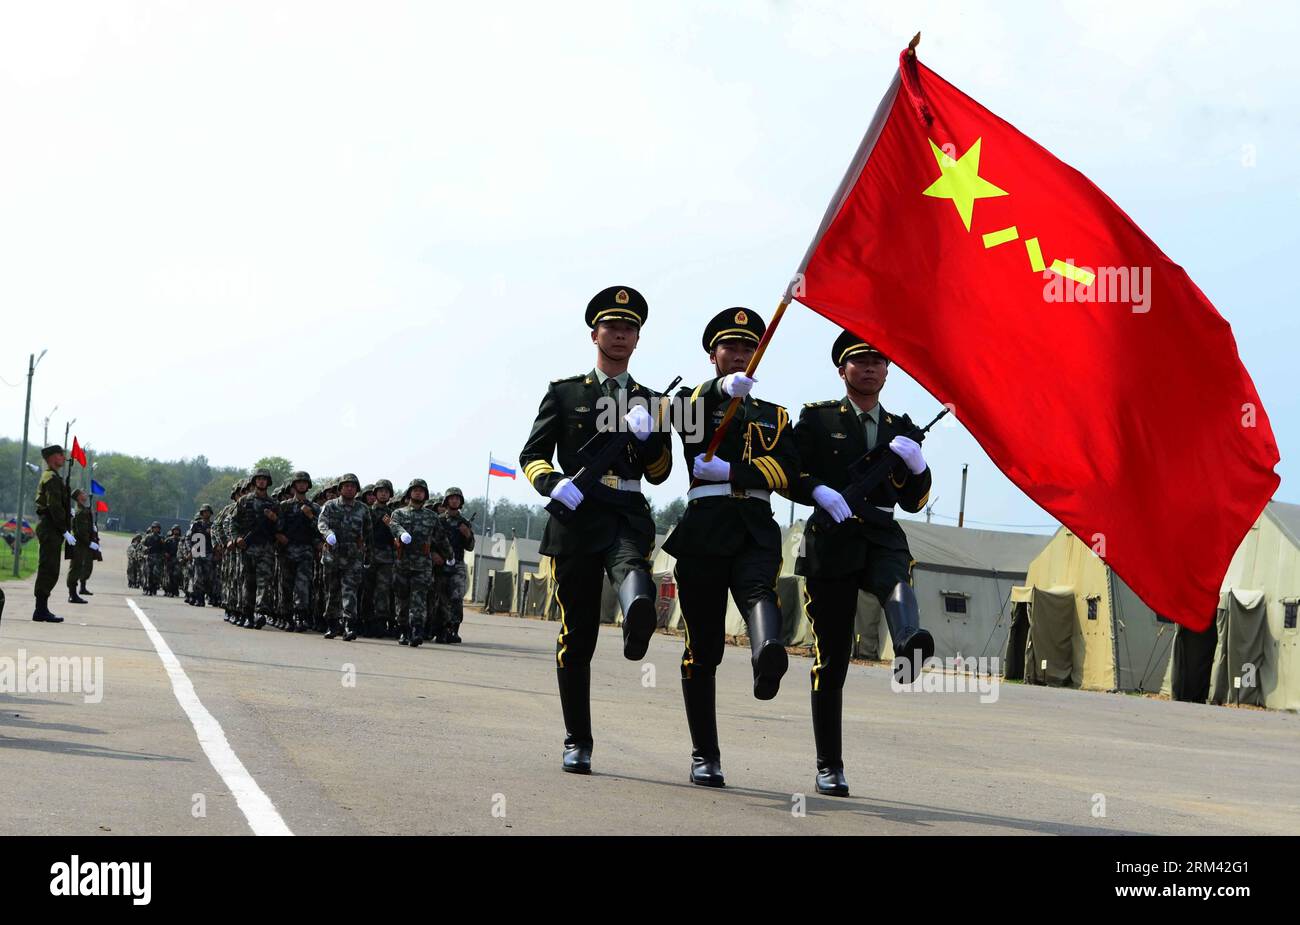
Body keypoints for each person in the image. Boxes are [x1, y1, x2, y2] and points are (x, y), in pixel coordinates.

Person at [519, 285, 673, 774]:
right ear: (595, 334)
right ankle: (577, 740)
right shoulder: (565, 392)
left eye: (630, 329)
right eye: (613, 326)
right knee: (578, 632)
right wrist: (552, 483)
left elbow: (661, 472)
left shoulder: (654, 400)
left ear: (637, 340)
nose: (622, 334)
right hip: (577, 511)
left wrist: (649, 439)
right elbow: (532, 454)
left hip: (626, 506)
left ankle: (637, 616)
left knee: (633, 566)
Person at [792, 330, 934, 797]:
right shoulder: (817, 418)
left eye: (878, 360)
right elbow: (791, 468)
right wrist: (817, 490)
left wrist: (918, 468)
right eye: (860, 360)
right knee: (832, 657)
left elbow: (915, 500)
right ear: (842, 370)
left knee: (895, 578)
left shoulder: (900, 426)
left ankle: (910, 641)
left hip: (880, 531)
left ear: (888, 370)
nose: (870, 367)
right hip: (832, 537)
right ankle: (829, 765)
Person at [662, 307, 799, 788]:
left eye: (748, 348)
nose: (740, 355)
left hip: (755, 522)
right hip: (704, 525)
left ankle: (768, 656)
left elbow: (788, 471)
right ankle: (706, 755)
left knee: (760, 589)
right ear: (712, 355)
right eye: (731, 347)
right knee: (705, 646)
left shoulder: (776, 415)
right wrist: (721, 391)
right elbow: (670, 414)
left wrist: (738, 472)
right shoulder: (694, 401)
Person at [389, 479, 453, 647]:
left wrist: (449, 554)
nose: (418, 493)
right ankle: (403, 630)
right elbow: (393, 526)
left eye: (421, 491)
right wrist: (402, 534)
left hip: (422, 565)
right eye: (415, 490)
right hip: (402, 563)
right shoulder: (399, 514)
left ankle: (417, 631)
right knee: (402, 600)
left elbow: (441, 538)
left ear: (425, 495)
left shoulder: (431, 517)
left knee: (419, 599)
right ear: (409, 493)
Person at [316, 473, 371, 640]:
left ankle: (349, 624)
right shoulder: (330, 506)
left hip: (353, 556)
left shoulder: (362, 509)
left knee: (350, 591)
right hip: (333, 555)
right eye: (346, 486)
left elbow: (368, 532)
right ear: (340, 489)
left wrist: (366, 549)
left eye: (353, 486)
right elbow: (322, 522)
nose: (350, 489)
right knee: (332, 591)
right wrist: (328, 534)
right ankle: (332, 624)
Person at [232, 467, 284, 629]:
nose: (262, 481)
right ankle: (247, 614)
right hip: (248, 547)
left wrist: (275, 519)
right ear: (254, 481)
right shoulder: (244, 501)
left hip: (266, 548)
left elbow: (282, 527)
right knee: (249, 582)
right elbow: (234, 523)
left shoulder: (274, 504)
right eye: (259, 479)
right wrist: (236, 538)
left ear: (268, 482)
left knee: (265, 582)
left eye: (264, 479)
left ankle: (260, 613)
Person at [31, 444, 72, 623]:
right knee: (48, 568)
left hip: (51, 527)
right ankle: (40, 610)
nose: (64, 457)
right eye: (61, 455)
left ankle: (41, 609)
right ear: (53, 457)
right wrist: (64, 530)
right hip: (50, 528)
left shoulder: (53, 477)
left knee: (51, 568)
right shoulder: (51, 478)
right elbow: (54, 506)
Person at [278, 472, 320, 632]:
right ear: (293, 486)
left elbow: (320, 529)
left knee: (303, 586)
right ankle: (287, 617)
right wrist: (279, 536)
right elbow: (277, 526)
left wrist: (310, 516)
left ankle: (300, 617)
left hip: (305, 551)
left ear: (308, 485)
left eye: (304, 483)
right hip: (287, 550)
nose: (301, 485)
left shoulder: (314, 507)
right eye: (298, 483)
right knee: (286, 585)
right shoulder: (285, 506)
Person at [434, 486, 475, 643]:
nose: (455, 500)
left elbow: (470, 547)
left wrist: (468, 535)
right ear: (446, 500)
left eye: (457, 498)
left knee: (456, 597)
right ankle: (440, 629)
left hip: (457, 564)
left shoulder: (464, 522)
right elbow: (430, 540)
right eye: (452, 498)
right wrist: (434, 554)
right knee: (440, 598)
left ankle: (454, 629)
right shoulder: (438, 520)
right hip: (440, 563)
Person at [65, 489, 97, 605]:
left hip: (81, 545)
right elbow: (80, 532)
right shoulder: (80, 512)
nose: (85, 494)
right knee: (75, 568)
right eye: (83, 493)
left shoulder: (83, 510)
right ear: (79, 497)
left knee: (78, 568)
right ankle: (72, 594)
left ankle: (74, 594)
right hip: (79, 545)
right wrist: (89, 543)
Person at [187, 505, 216, 606]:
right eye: (204, 512)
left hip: (208, 553)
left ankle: (208, 595)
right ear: (201, 513)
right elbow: (190, 538)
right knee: (198, 577)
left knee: (208, 577)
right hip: (198, 552)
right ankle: (199, 599)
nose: (206, 514)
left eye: (208, 512)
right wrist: (191, 550)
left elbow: (216, 540)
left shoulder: (213, 526)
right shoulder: (196, 525)